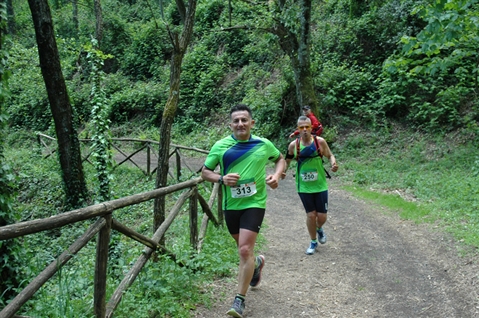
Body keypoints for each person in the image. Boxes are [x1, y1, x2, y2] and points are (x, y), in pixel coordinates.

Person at [201, 103, 285, 318]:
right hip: (231, 206)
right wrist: (221, 178)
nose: (240, 124)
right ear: (230, 124)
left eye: (244, 120)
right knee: (244, 249)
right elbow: (205, 172)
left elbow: (280, 159)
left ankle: (239, 300)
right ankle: (257, 264)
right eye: (236, 121)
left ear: (252, 123)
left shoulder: (263, 144)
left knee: (244, 250)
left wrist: (275, 176)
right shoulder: (221, 146)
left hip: (254, 203)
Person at [282, 115, 338, 255]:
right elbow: (287, 160)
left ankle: (319, 228)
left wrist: (333, 164)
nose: (305, 129)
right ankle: (313, 241)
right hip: (303, 186)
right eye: (302, 127)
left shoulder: (320, 142)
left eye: (307, 127)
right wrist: (283, 172)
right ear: (298, 129)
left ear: (311, 127)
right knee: (311, 215)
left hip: (320, 184)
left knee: (322, 216)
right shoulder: (293, 145)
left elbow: (330, 155)